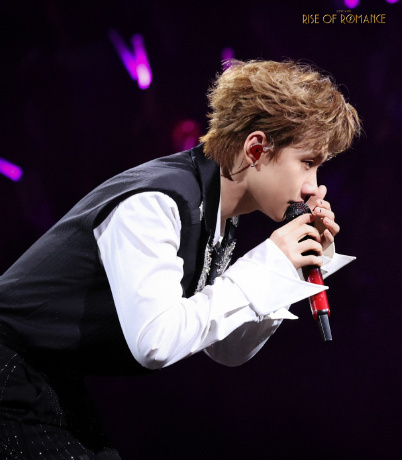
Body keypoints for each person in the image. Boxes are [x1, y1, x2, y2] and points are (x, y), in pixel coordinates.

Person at [0, 59, 361, 458]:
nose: (314, 187)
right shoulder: (157, 202)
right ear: (256, 149)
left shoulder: (218, 214)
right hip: (11, 372)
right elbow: (155, 343)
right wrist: (267, 264)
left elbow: (225, 351)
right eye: (307, 163)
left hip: (50, 381)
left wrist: (285, 274)